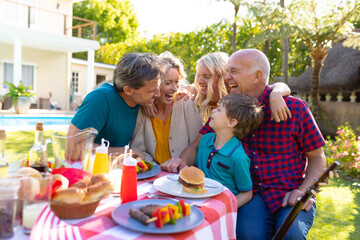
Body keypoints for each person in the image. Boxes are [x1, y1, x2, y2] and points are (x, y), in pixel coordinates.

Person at [161, 49, 326, 240]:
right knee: (247, 235)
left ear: (257, 76)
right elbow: (196, 146)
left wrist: (305, 190)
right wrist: (181, 163)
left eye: (233, 71)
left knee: (292, 235)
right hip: (252, 195)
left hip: (290, 191)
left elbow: (317, 156)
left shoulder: (295, 109)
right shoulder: (228, 110)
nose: (226, 76)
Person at [68, 52, 164, 156]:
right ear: (128, 90)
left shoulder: (140, 100)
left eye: (158, 87)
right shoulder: (100, 100)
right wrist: (123, 152)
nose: (158, 94)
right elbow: (72, 148)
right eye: (151, 91)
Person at [130, 52, 203, 164]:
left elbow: (197, 145)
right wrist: (157, 169)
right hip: (153, 174)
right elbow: (139, 149)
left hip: (181, 173)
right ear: (155, 84)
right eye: (168, 83)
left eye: (177, 82)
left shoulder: (187, 103)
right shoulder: (144, 108)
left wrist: (179, 165)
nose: (174, 88)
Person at [196, 93, 263, 209]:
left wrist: (224, 208)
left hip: (219, 209)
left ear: (231, 122)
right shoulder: (205, 140)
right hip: (197, 201)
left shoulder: (238, 157)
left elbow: (247, 193)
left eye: (219, 110)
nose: (213, 111)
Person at [193, 52, 292, 123]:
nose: (200, 81)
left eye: (207, 77)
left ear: (223, 78)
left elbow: (269, 87)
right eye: (198, 75)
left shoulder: (235, 99)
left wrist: (276, 93)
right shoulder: (197, 95)